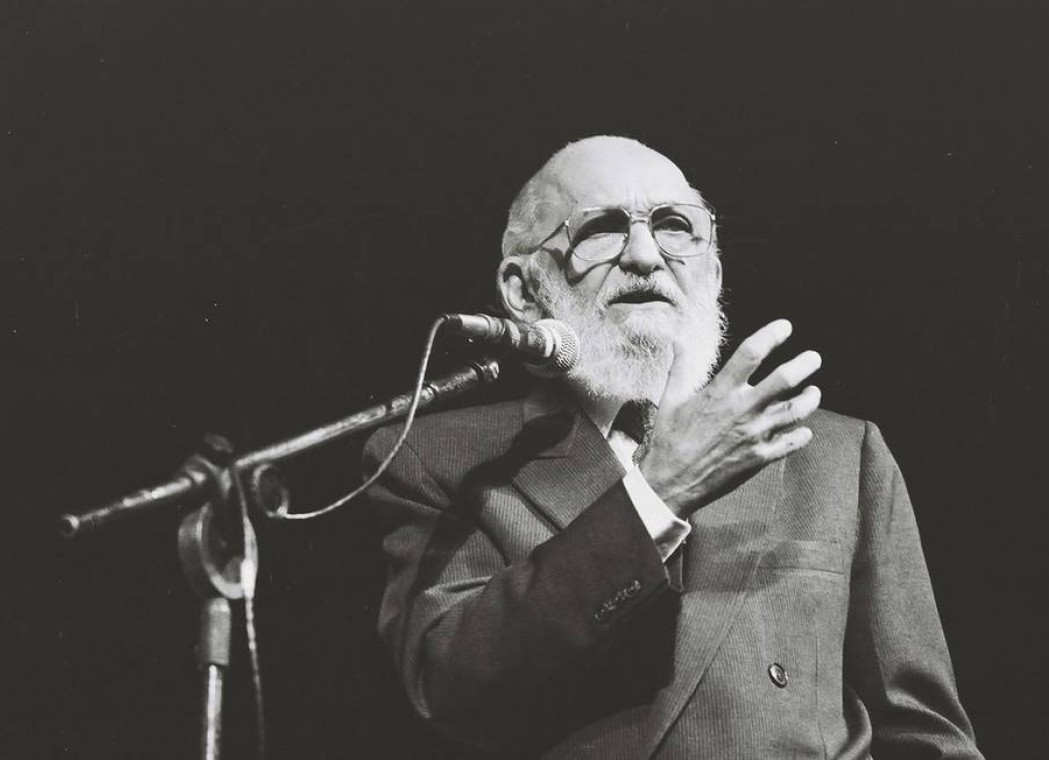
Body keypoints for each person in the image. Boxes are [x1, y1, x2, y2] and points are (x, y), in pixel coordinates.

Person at [364, 136, 983, 758]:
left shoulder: (838, 454)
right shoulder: (439, 457)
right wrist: (657, 495)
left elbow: (925, 734)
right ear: (525, 291)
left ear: (711, 272)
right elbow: (450, 685)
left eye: (674, 227)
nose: (644, 255)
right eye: (602, 229)